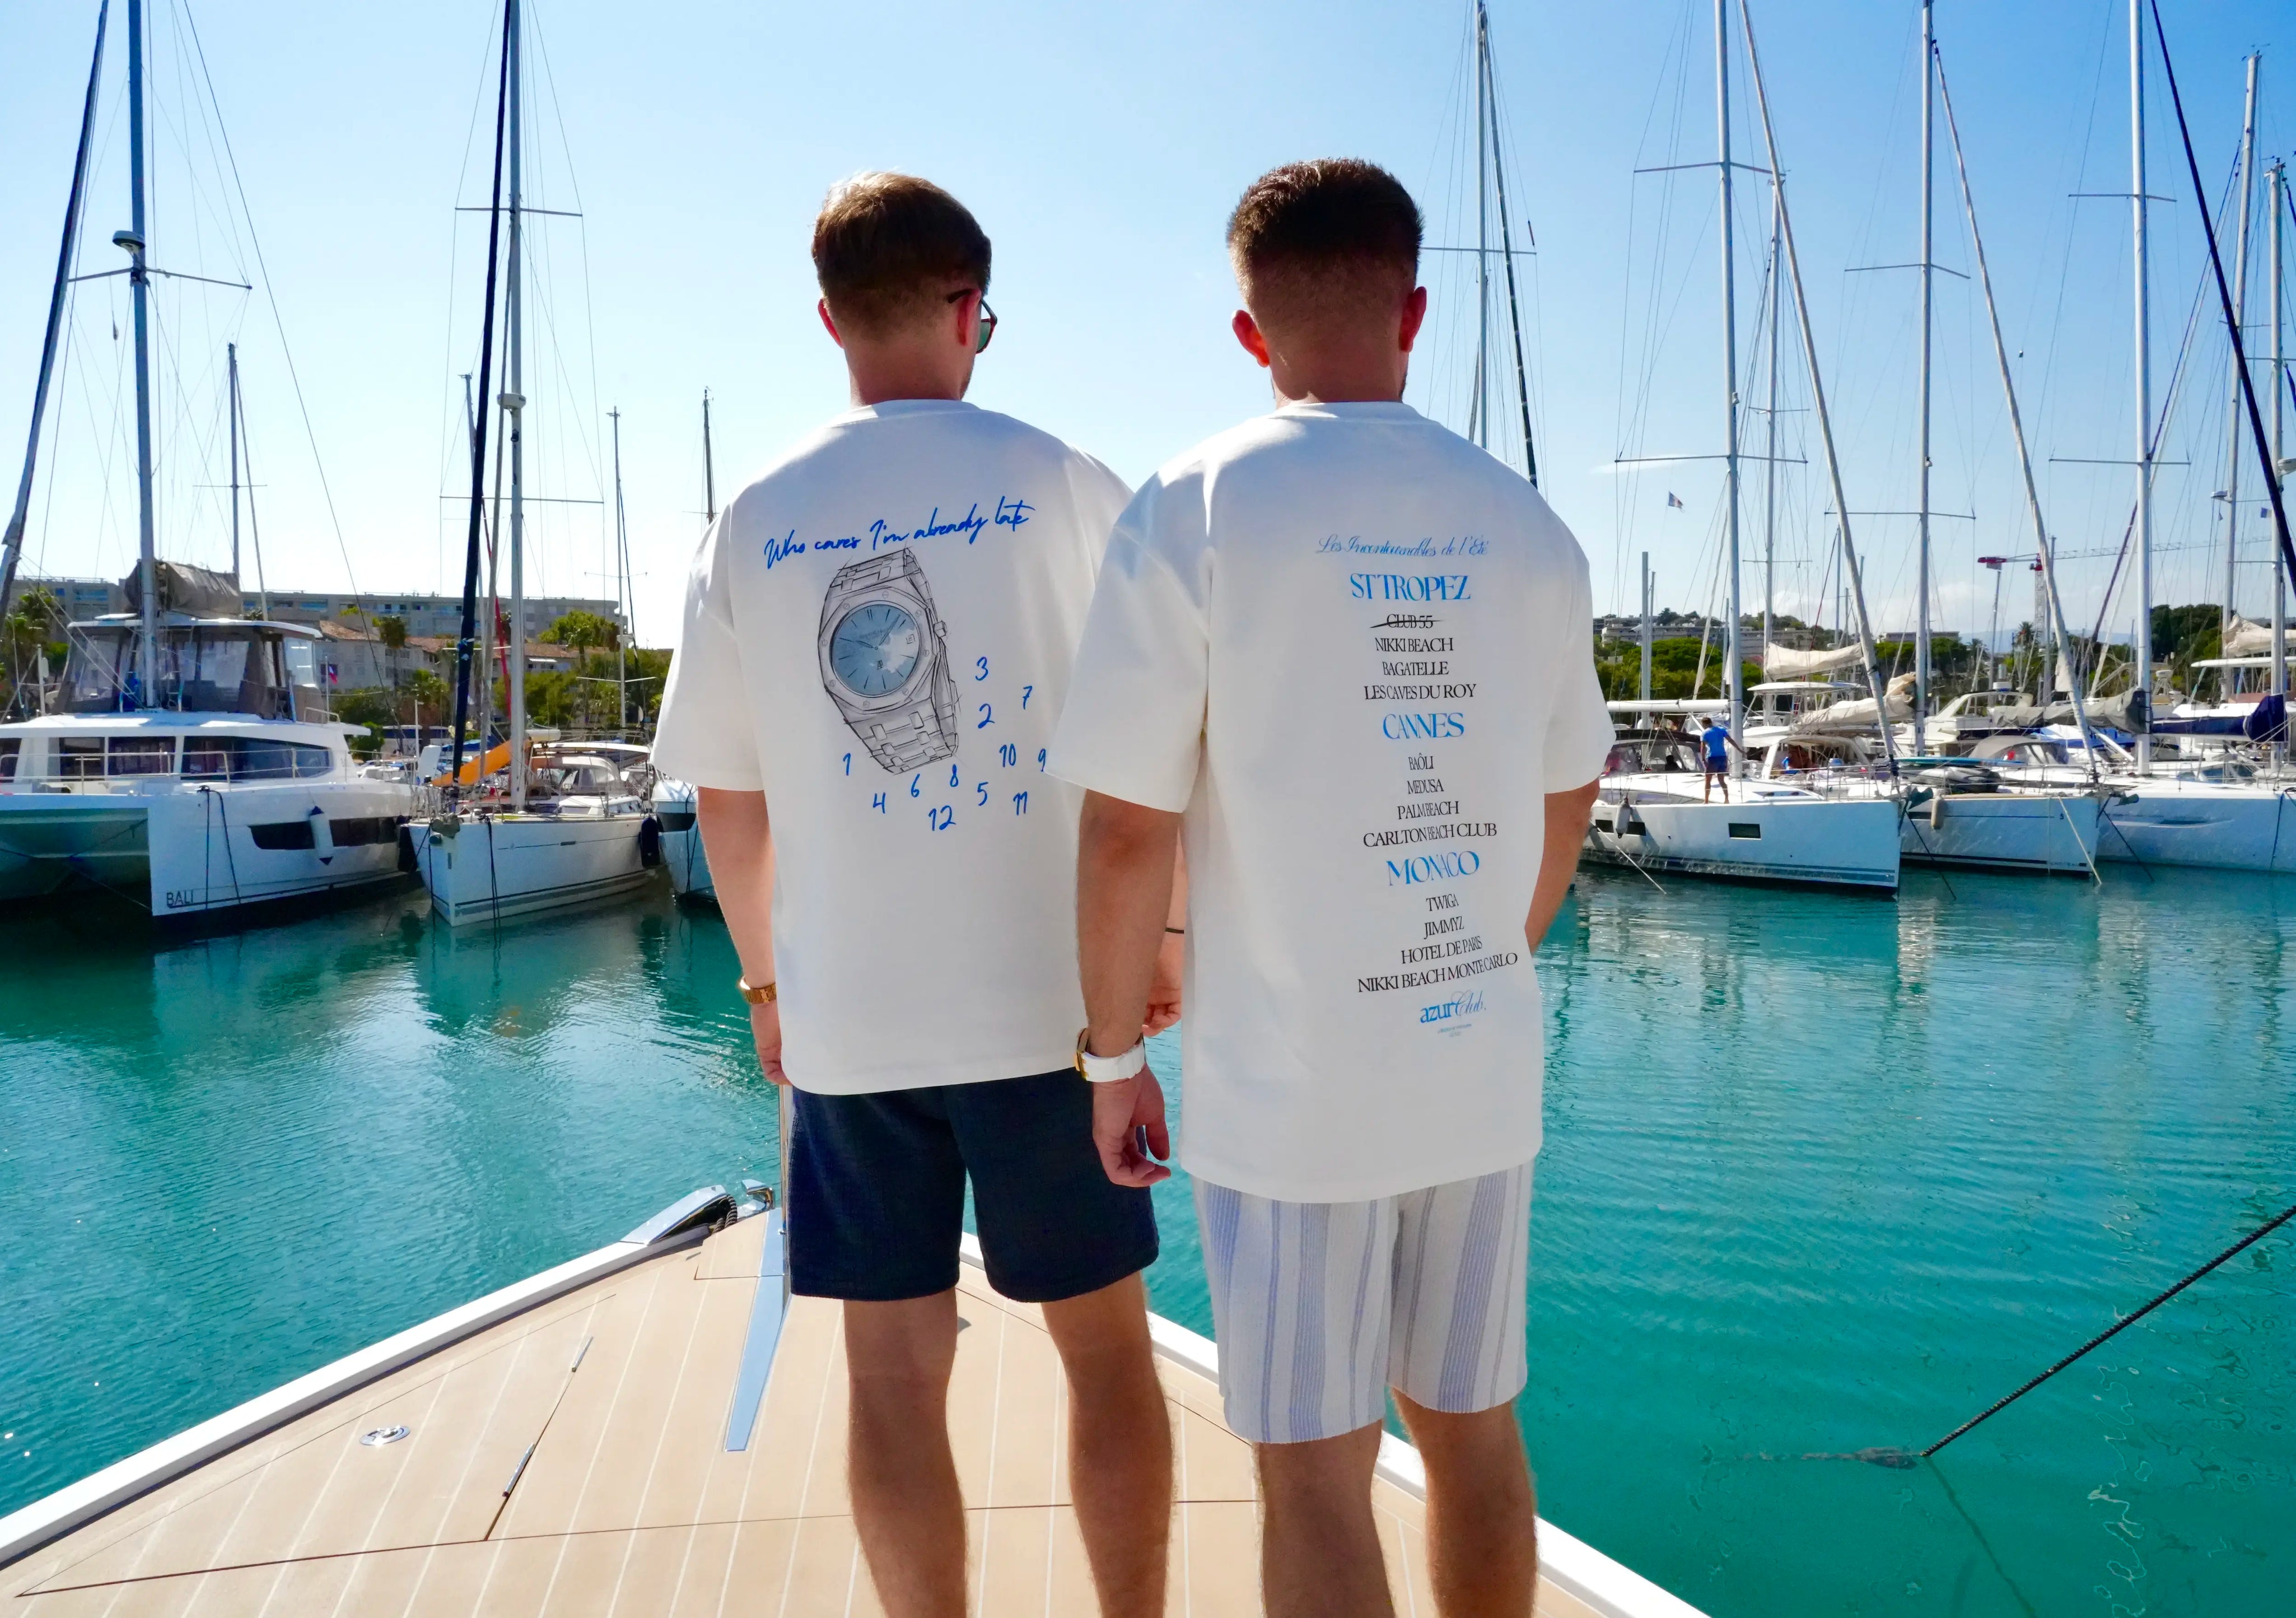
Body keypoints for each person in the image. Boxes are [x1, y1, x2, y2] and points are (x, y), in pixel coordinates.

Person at [1048, 159, 1612, 1617]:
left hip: (1290, 1092)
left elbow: (1122, 829)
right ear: (1414, 309)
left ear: (1249, 333)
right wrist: (1495, 945)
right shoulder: (1528, 525)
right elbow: (1569, 793)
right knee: (1473, 1433)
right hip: (1476, 1072)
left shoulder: (1195, 502)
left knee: (1312, 1470)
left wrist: (1114, 1057)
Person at [652, 171, 1175, 1618]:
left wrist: (764, 986)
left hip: (849, 1030)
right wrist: (1164, 941)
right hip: (1057, 1017)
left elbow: (729, 801)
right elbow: (1158, 747)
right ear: (967, 312)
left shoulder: (752, 516)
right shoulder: (1068, 478)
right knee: (1106, 1355)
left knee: (888, 1379)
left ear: (828, 319)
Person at [1701, 716, 1730, 801]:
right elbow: (1731, 740)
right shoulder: (1721, 730)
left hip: (1712, 758)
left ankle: (1706, 800)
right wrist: (1740, 750)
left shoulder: (1705, 733)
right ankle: (1727, 799)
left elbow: (1703, 747)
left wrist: (1703, 760)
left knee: (1708, 780)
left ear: (1704, 724)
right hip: (1723, 757)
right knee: (1722, 781)